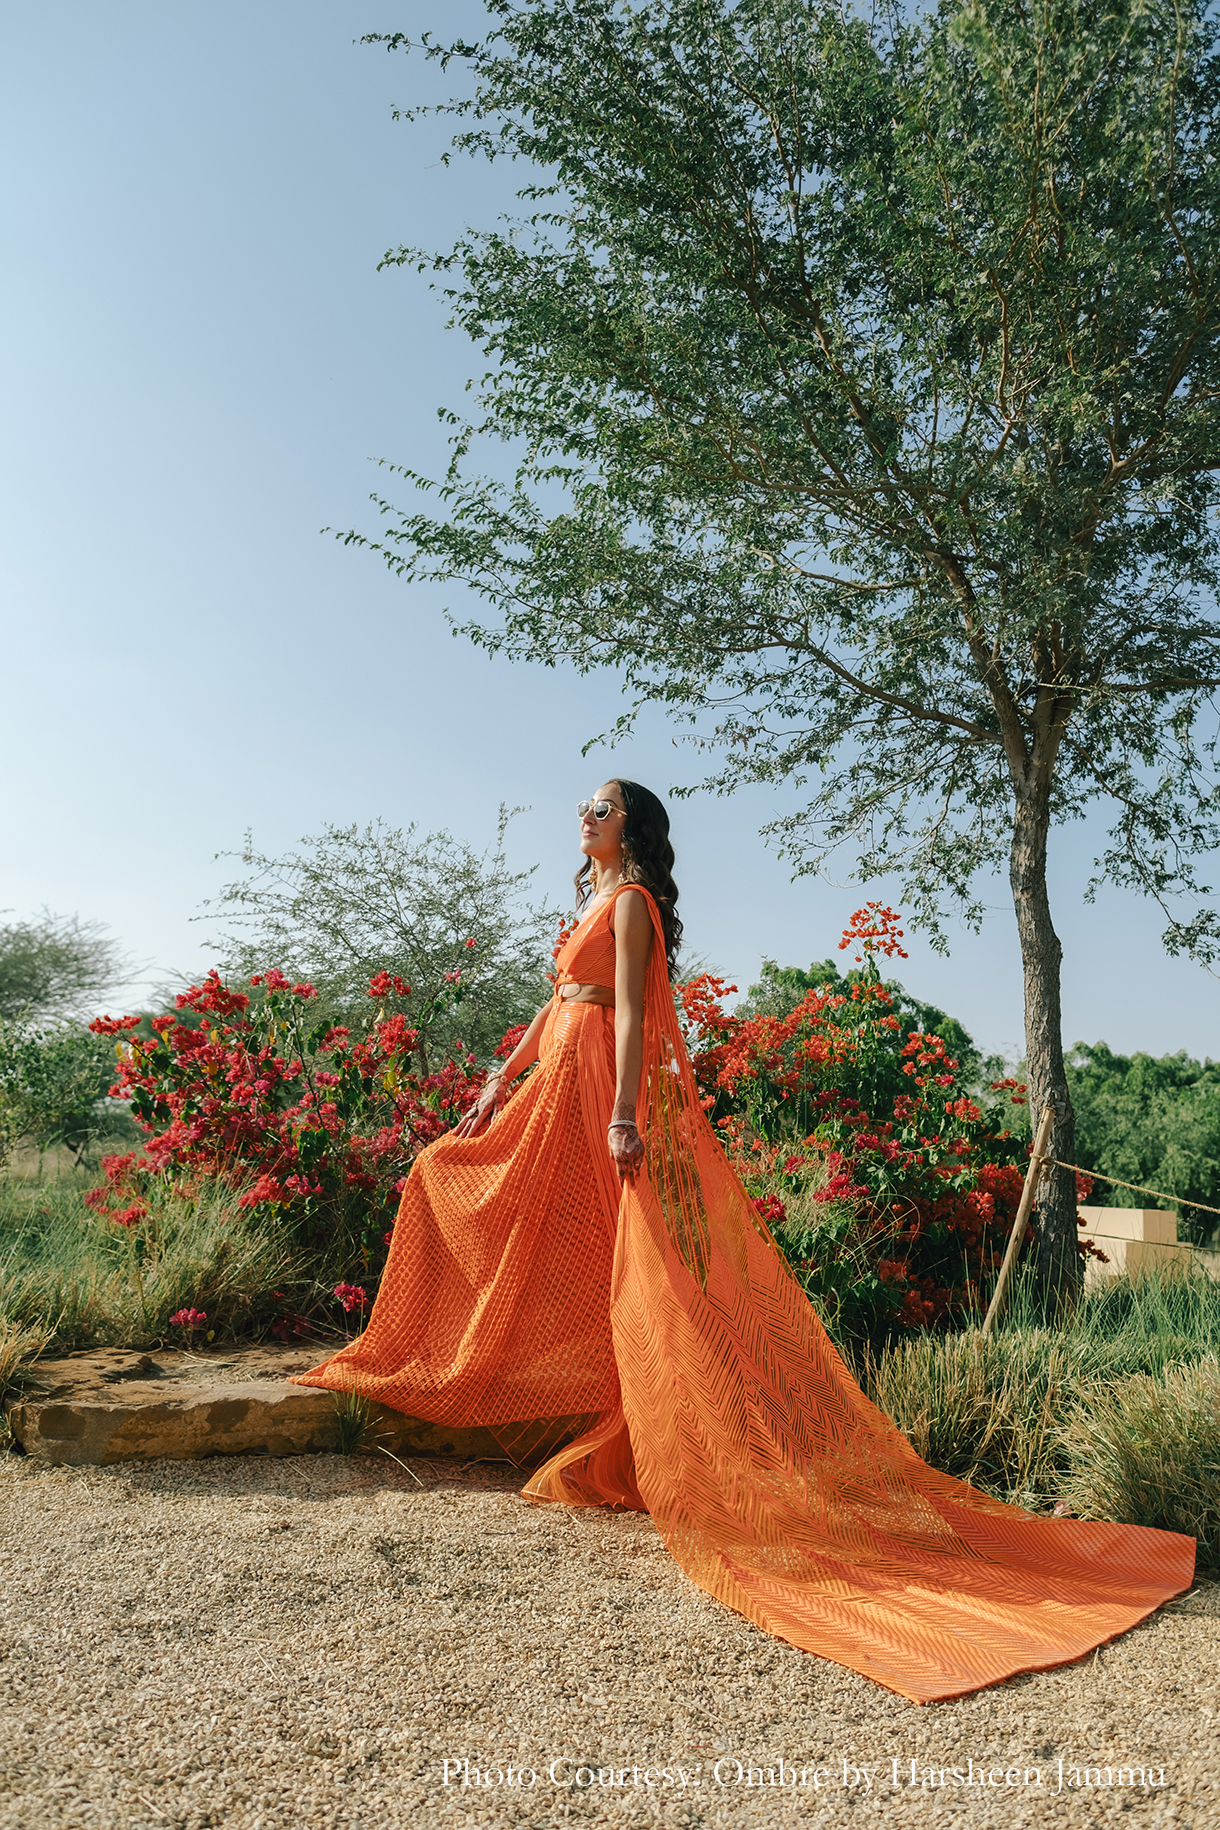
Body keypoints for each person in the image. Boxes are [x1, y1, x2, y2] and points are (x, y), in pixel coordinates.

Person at [295, 780, 1194, 1704]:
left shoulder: (636, 903)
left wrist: (622, 1115)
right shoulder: (590, 901)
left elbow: (635, 1011)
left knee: (618, 1248)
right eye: (584, 807)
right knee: (462, 1180)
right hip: (554, 1066)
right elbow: (553, 1004)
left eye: (602, 807)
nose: (585, 816)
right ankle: (480, 1371)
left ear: (632, 826)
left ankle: (641, 1418)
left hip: (598, 1083)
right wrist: (498, 1078)